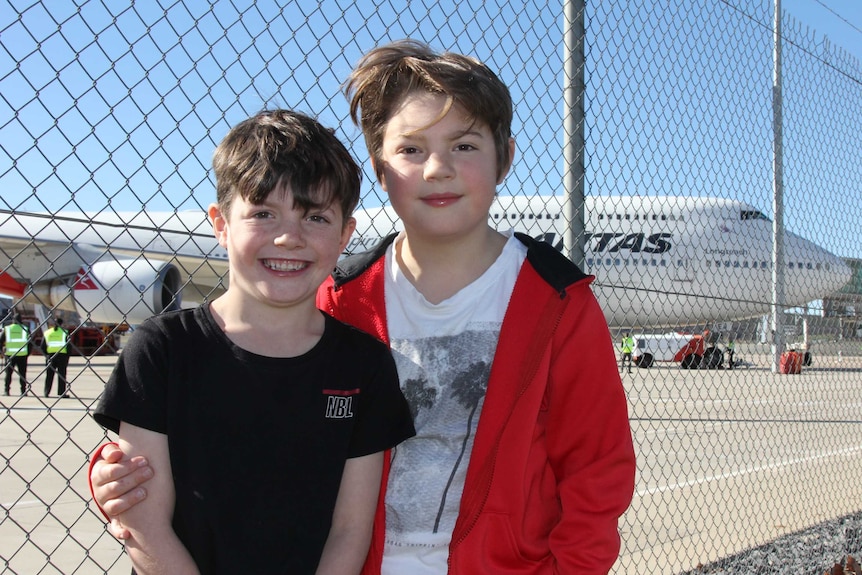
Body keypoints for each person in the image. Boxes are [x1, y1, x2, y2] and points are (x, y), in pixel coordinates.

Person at [90, 41, 636, 574]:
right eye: (411, 149)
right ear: (380, 168)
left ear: (506, 157)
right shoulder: (338, 297)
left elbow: (596, 467)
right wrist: (125, 471)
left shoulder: (559, 302)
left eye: (465, 146)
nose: (437, 168)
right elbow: (258, 407)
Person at [91, 109, 415, 574]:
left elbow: (350, 531)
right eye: (263, 213)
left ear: (346, 233)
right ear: (221, 224)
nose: (289, 237)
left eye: (316, 217)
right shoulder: (161, 349)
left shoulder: (363, 364)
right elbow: (143, 522)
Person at [3, 312, 31, 396]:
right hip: (22, 355)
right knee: (22, 374)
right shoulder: (25, 329)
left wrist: (2, 351)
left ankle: (6, 390)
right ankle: (23, 391)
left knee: (8, 374)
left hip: (10, 354)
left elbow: (0, 340)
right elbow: (30, 343)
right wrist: (27, 353)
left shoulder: (7, 329)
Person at [41, 317, 70, 397]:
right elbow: (69, 347)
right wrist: (67, 357)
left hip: (50, 356)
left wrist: (46, 355)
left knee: (49, 375)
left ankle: (46, 392)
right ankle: (61, 393)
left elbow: (42, 346)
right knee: (62, 375)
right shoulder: (65, 332)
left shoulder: (47, 333)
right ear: (62, 324)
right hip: (62, 356)